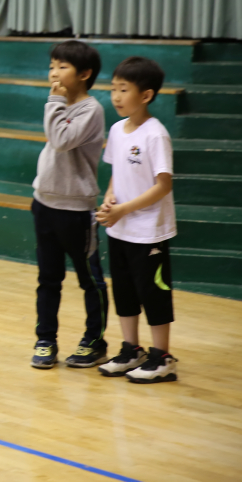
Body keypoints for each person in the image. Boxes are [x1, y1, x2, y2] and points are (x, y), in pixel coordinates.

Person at [95, 57, 178, 384]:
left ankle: (162, 357)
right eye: (113, 88)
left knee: (153, 293)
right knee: (125, 292)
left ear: (145, 95)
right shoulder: (116, 130)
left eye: (123, 90)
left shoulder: (155, 135)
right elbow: (117, 173)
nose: (115, 96)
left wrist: (124, 210)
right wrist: (110, 198)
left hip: (149, 232)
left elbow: (163, 185)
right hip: (121, 228)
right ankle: (132, 349)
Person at [30, 40, 110, 370]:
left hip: (76, 211)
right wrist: (57, 102)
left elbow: (61, 140)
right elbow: (55, 135)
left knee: (89, 280)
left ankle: (95, 339)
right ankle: (45, 339)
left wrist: (55, 100)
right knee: (48, 279)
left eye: (62, 67)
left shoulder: (91, 110)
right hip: (44, 204)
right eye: (52, 66)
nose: (54, 72)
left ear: (85, 74)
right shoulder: (59, 104)